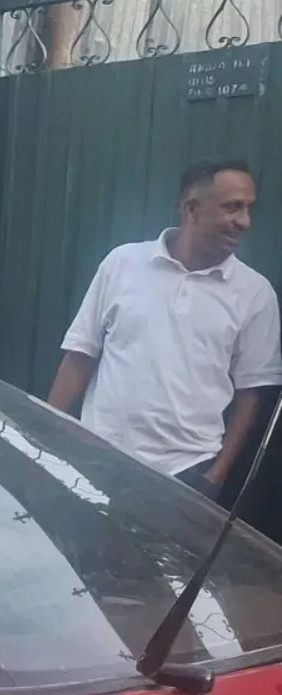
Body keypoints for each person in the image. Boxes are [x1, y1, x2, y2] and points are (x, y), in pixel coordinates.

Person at [47, 159, 282, 499]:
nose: (244, 221)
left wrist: (214, 478)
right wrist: (42, 437)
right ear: (192, 210)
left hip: (186, 474)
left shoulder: (254, 293)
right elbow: (80, 356)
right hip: (97, 459)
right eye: (233, 208)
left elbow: (251, 395)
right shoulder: (123, 264)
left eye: (248, 208)